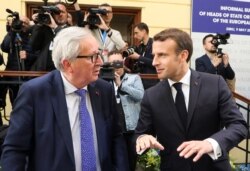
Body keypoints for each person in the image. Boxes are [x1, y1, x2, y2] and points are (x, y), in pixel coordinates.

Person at [1, 26, 129, 171]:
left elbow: (116, 138)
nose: (100, 61)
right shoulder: (34, 93)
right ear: (68, 64)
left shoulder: (104, 90)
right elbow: (15, 149)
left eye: (99, 54)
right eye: (93, 56)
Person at [135, 28, 247, 171]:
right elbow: (139, 133)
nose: (154, 62)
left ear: (183, 55)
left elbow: (238, 125)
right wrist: (142, 139)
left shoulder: (215, 84)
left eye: (162, 55)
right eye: (154, 55)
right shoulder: (151, 95)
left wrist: (211, 143)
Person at [107, 51, 144, 171]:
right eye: (112, 63)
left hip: (131, 129)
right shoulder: (105, 81)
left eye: (117, 62)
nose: (115, 65)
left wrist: (121, 85)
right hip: (113, 130)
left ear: (123, 62)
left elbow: (140, 95)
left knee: (132, 161)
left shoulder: (134, 78)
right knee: (117, 162)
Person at [0, 15, 36, 107]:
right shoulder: (12, 34)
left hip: (29, 77)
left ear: (29, 25)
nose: (23, 24)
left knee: (29, 105)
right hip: (13, 78)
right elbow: (4, 47)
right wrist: (12, 30)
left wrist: (28, 56)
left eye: (25, 23)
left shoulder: (34, 37)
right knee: (15, 105)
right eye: (21, 22)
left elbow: (39, 55)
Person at [29, 2, 70, 71]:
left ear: (67, 15)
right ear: (52, 15)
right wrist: (39, 23)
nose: (60, 14)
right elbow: (33, 46)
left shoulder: (71, 30)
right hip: (42, 72)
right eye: (57, 12)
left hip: (61, 71)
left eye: (62, 12)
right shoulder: (44, 29)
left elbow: (66, 42)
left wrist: (55, 27)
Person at [128, 22, 159, 89]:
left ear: (144, 31)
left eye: (136, 33)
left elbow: (156, 63)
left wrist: (138, 57)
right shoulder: (140, 46)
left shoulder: (155, 44)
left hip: (152, 83)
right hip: (140, 82)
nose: (135, 36)